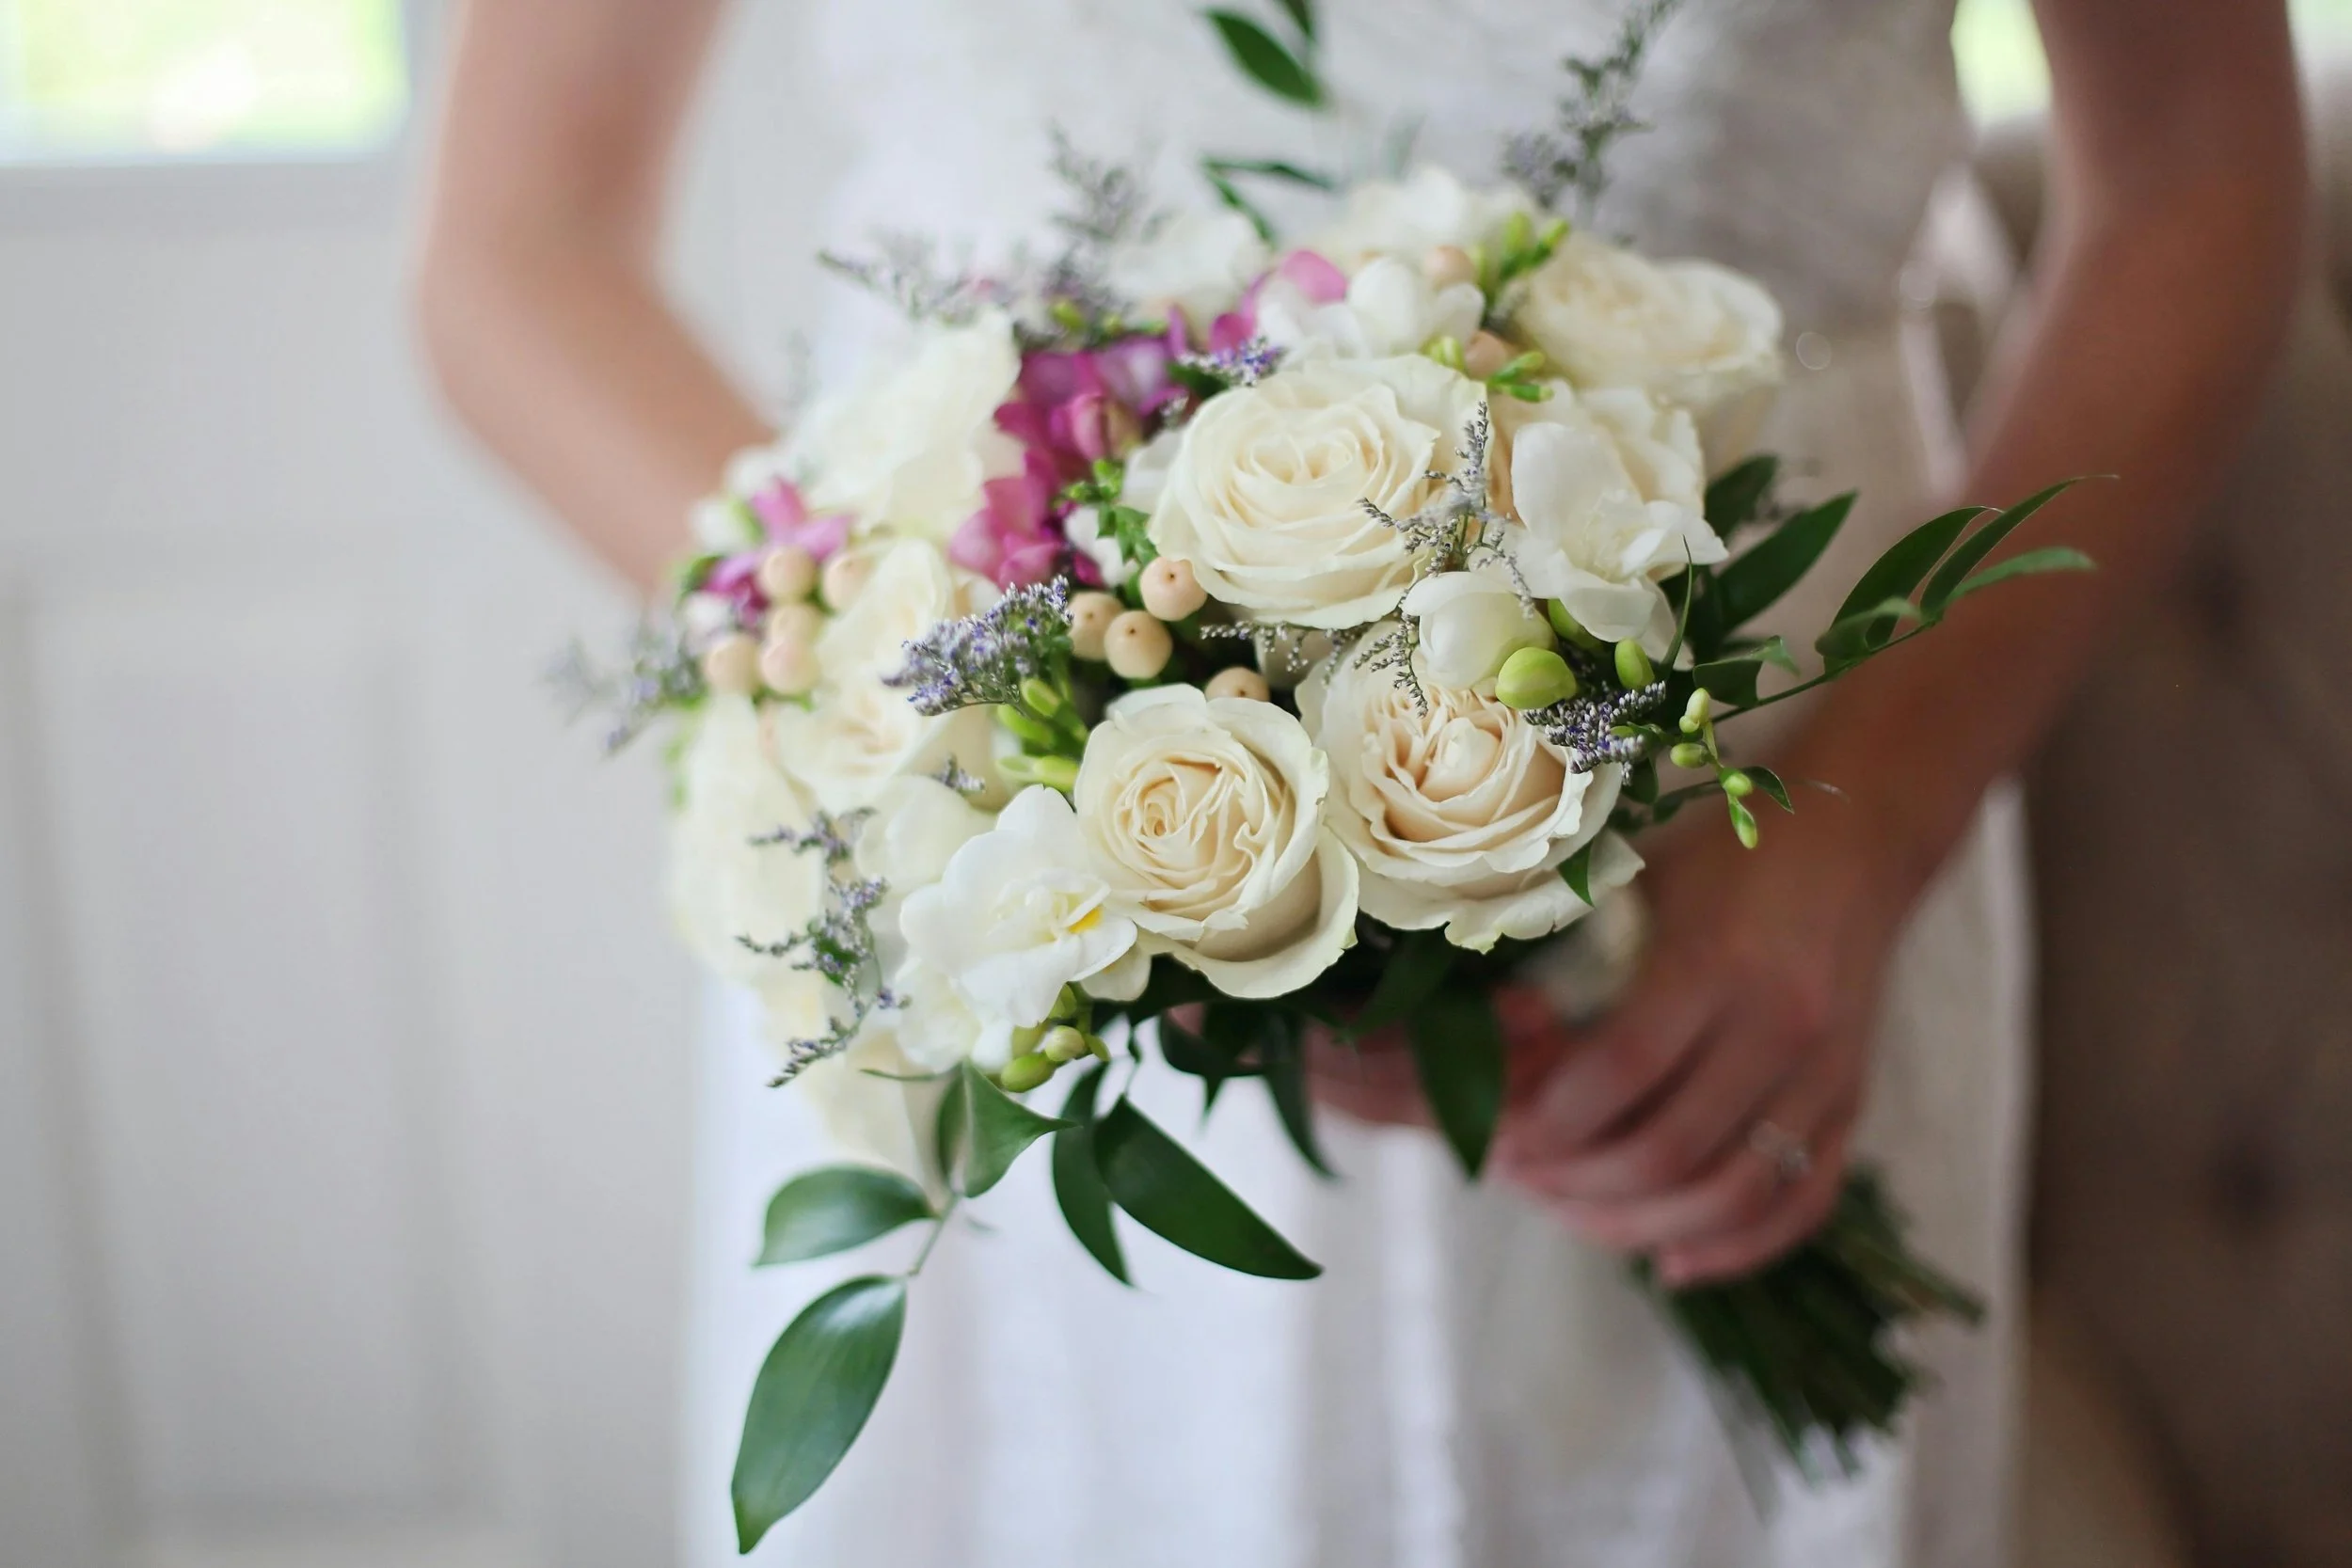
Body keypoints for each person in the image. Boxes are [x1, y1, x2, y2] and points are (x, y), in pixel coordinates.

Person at [415, 1, 2305, 1562]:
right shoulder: (1007, 790)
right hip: (1023, 884)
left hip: (1776, 831)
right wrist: (984, 747)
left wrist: (1859, 839)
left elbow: (2194, 174)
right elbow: (518, 250)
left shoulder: (1825, 853)